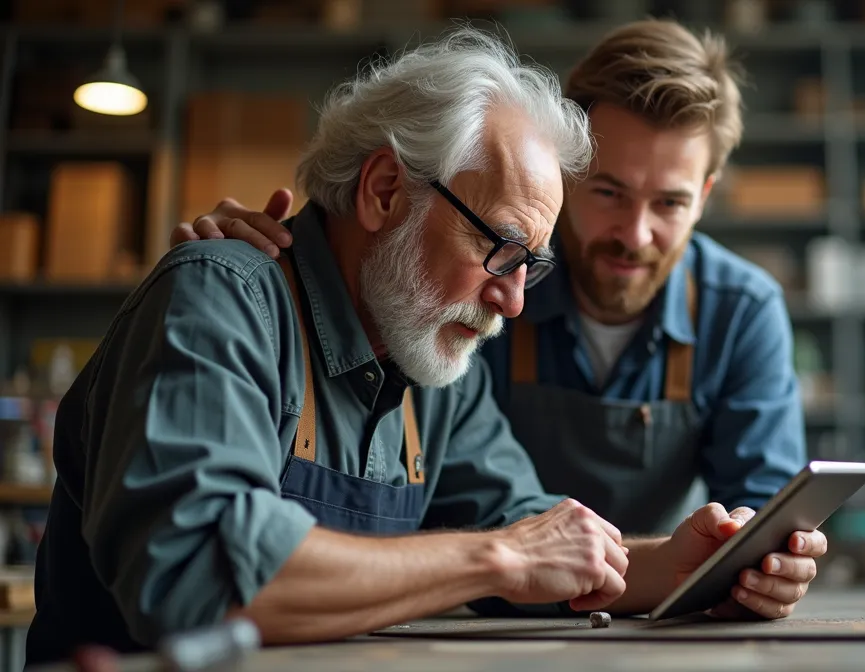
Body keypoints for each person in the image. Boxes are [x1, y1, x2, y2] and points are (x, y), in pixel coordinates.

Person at [28, 27, 827, 666]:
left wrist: (680, 568)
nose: (513, 302)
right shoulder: (222, 301)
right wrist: (495, 561)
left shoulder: (431, 360)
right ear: (384, 191)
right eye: (501, 250)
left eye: (531, 267)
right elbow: (200, 572)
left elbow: (529, 528)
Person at [172, 18, 809, 536]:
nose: (512, 301)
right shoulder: (425, 302)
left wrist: (748, 557)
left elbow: (515, 520)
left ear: (705, 196)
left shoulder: (737, 308)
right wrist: (228, 278)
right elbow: (205, 563)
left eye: (669, 203)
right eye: (611, 192)